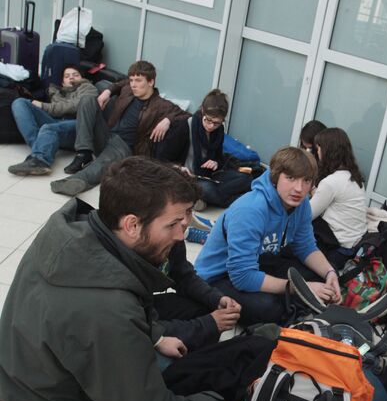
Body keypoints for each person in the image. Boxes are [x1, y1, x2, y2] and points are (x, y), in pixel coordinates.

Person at [0, 157, 231, 401]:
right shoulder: (105, 312)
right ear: (132, 225)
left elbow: (124, 299)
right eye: (172, 224)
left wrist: (156, 337)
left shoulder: (76, 235)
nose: (181, 235)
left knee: (177, 372)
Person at [195, 146, 341, 325]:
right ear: (275, 177)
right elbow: (242, 277)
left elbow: (306, 247)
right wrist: (300, 288)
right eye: (290, 178)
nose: (299, 188)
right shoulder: (250, 210)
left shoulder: (301, 205)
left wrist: (330, 273)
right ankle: (293, 309)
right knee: (268, 308)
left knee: (323, 275)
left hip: (259, 260)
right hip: (218, 277)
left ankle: (299, 306)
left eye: (306, 181)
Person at [50, 60, 190, 197]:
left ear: (151, 81)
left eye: (138, 80)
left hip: (125, 147)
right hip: (107, 135)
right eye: (132, 80)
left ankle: (77, 181)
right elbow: (119, 83)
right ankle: (84, 153)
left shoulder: (161, 105)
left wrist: (167, 120)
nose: (134, 85)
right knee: (87, 100)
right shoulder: (128, 89)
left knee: (103, 162)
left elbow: (186, 115)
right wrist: (108, 91)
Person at [7, 64, 97, 175]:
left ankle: (41, 160)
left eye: (75, 75)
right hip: (58, 123)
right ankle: (39, 149)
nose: (71, 77)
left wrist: (43, 106)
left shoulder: (88, 88)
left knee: (48, 128)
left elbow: (74, 106)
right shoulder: (57, 91)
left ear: (82, 78)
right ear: (63, 82)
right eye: (67, 76)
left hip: (78, 127)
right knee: (20, 103)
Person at [310, 126, 367, 268]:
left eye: (318, 148)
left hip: (338, 249)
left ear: (327, 151)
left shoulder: (331, 182)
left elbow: (307, 214)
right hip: (355, 244)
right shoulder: (353, 176)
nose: (317, 152)